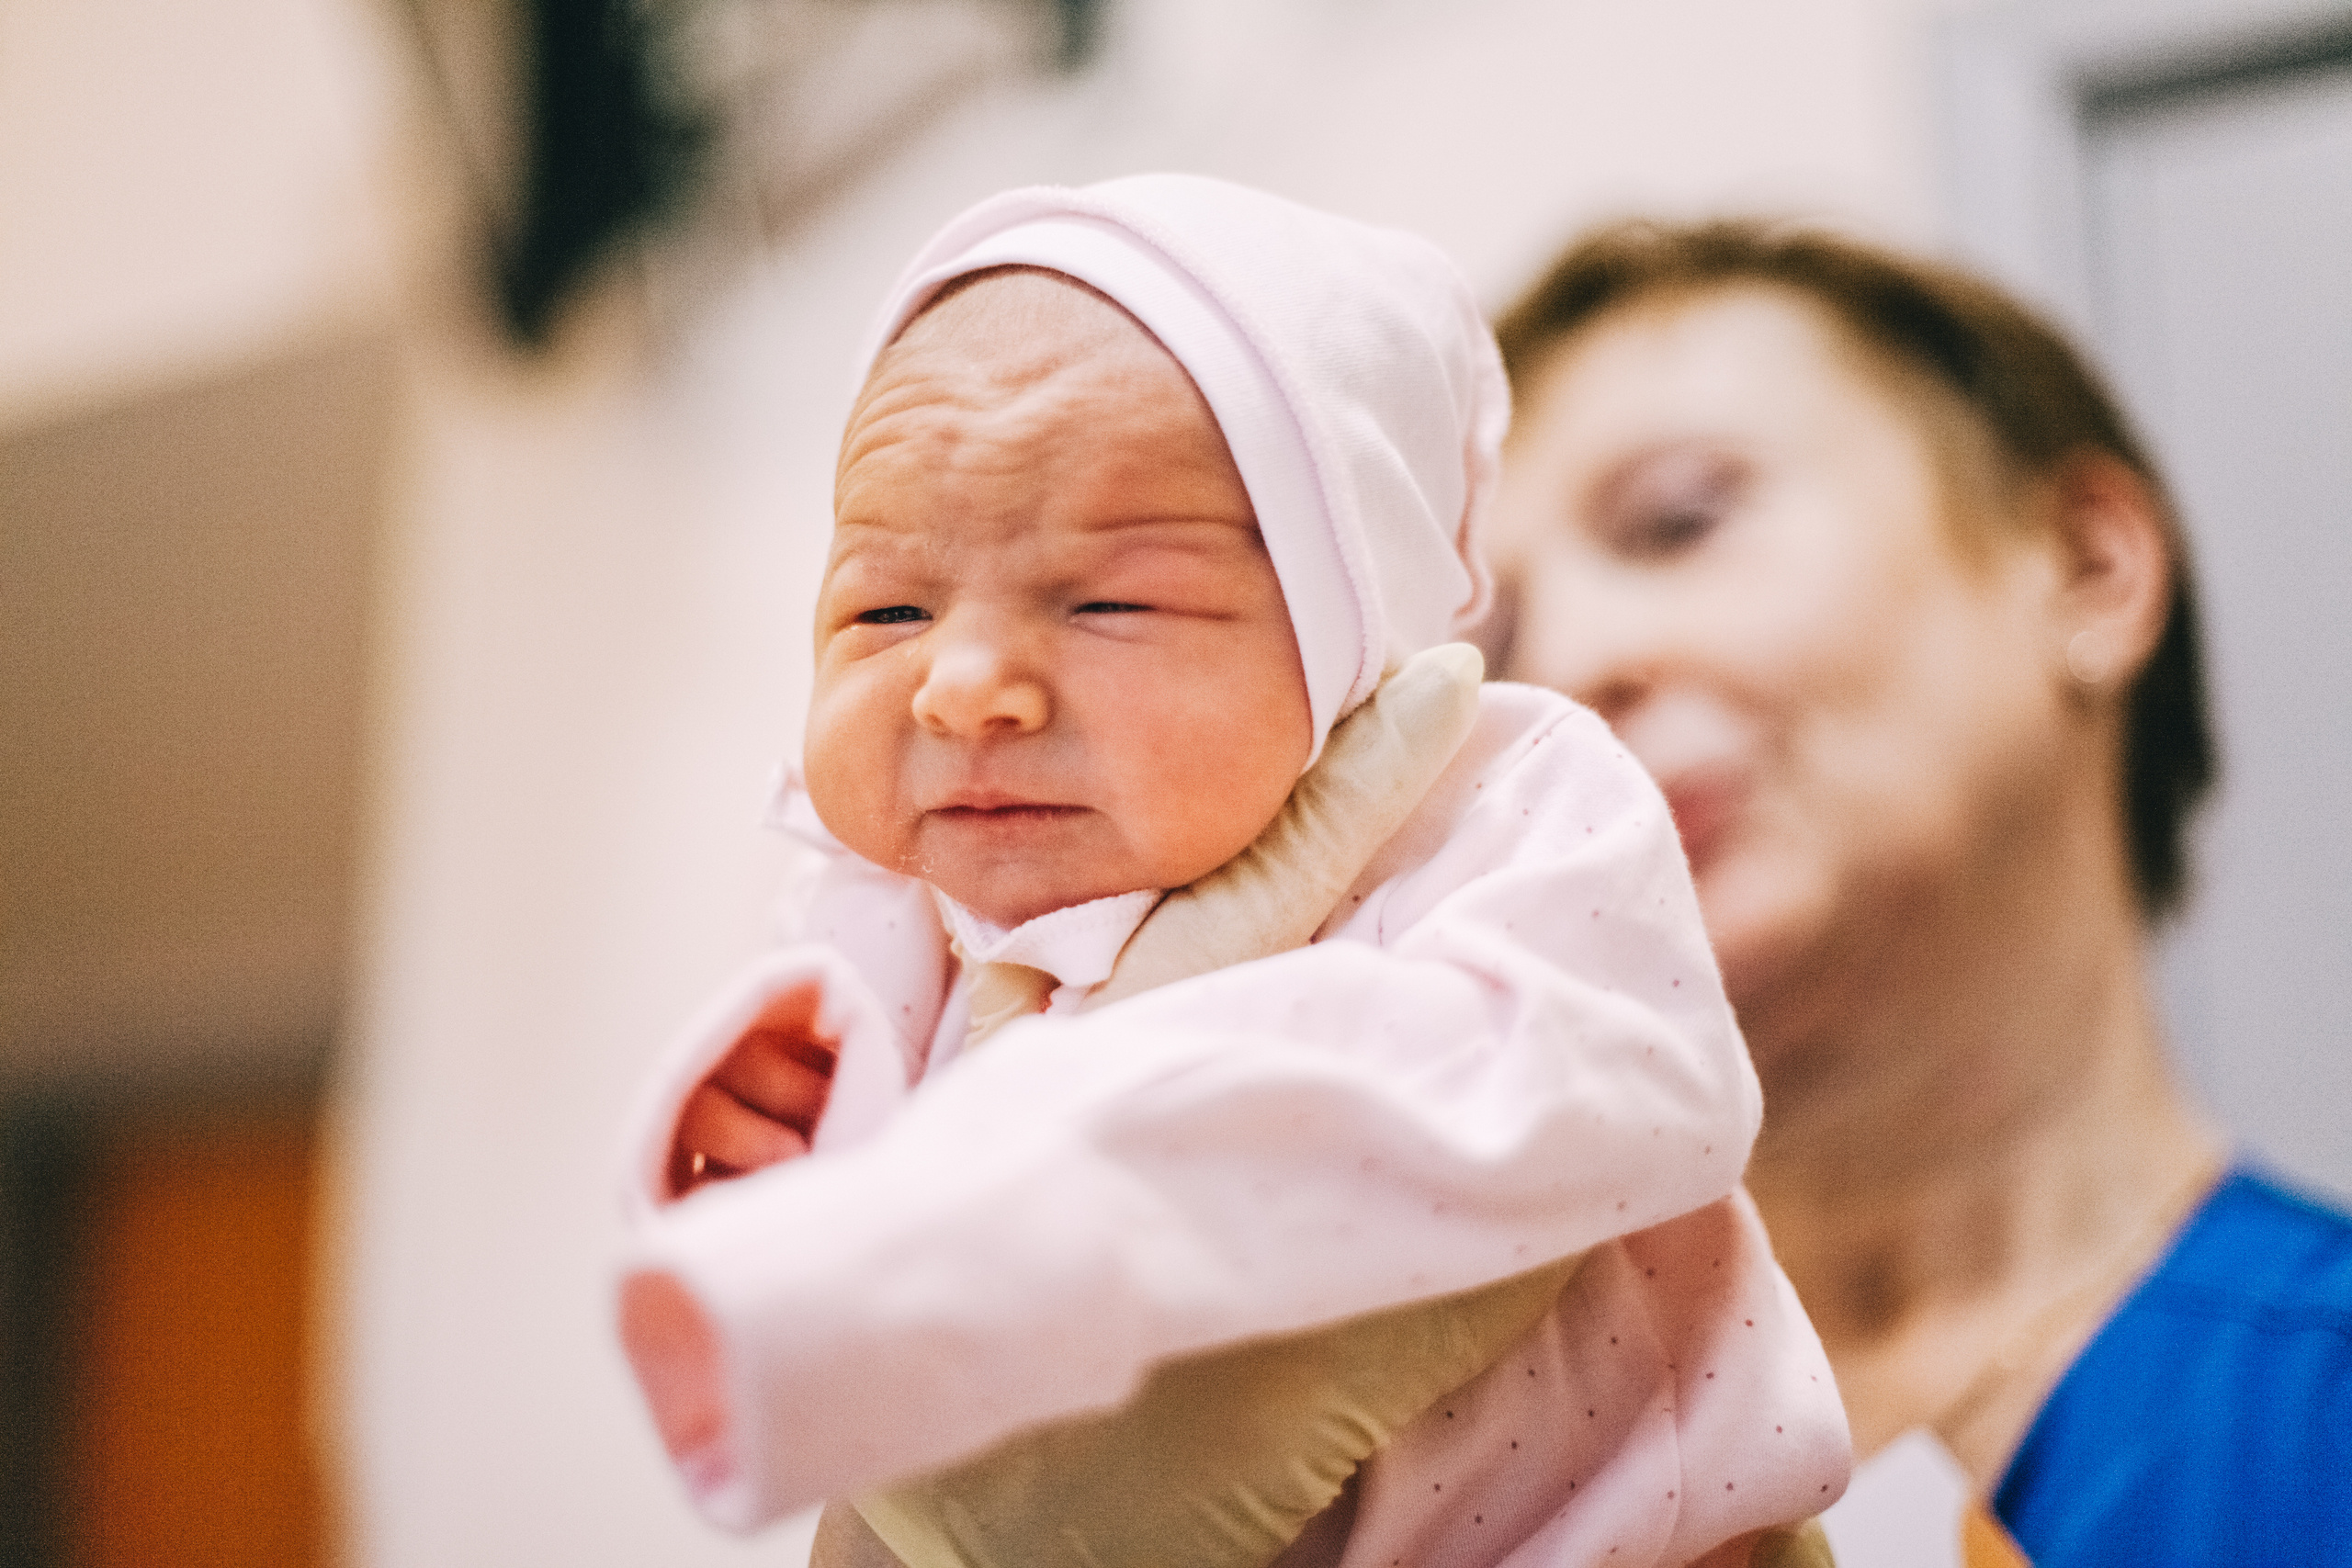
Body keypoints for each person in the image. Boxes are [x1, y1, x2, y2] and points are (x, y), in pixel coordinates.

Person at [610, 176, 1849, 1568]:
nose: (960, 686)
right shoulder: (892, 922)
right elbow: (836, 1297)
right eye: (886, 606)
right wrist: (761, 1157)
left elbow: (1627, 1081)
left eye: (1110, 601)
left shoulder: (1495, 798)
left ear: (1348, 635)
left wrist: (1075, 1143)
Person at [1487, 219, 2352, 1564]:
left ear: (2086, 567)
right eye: (1492, 641)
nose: (1565, 669)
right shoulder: (1453, 1493)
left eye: (1679, 522)